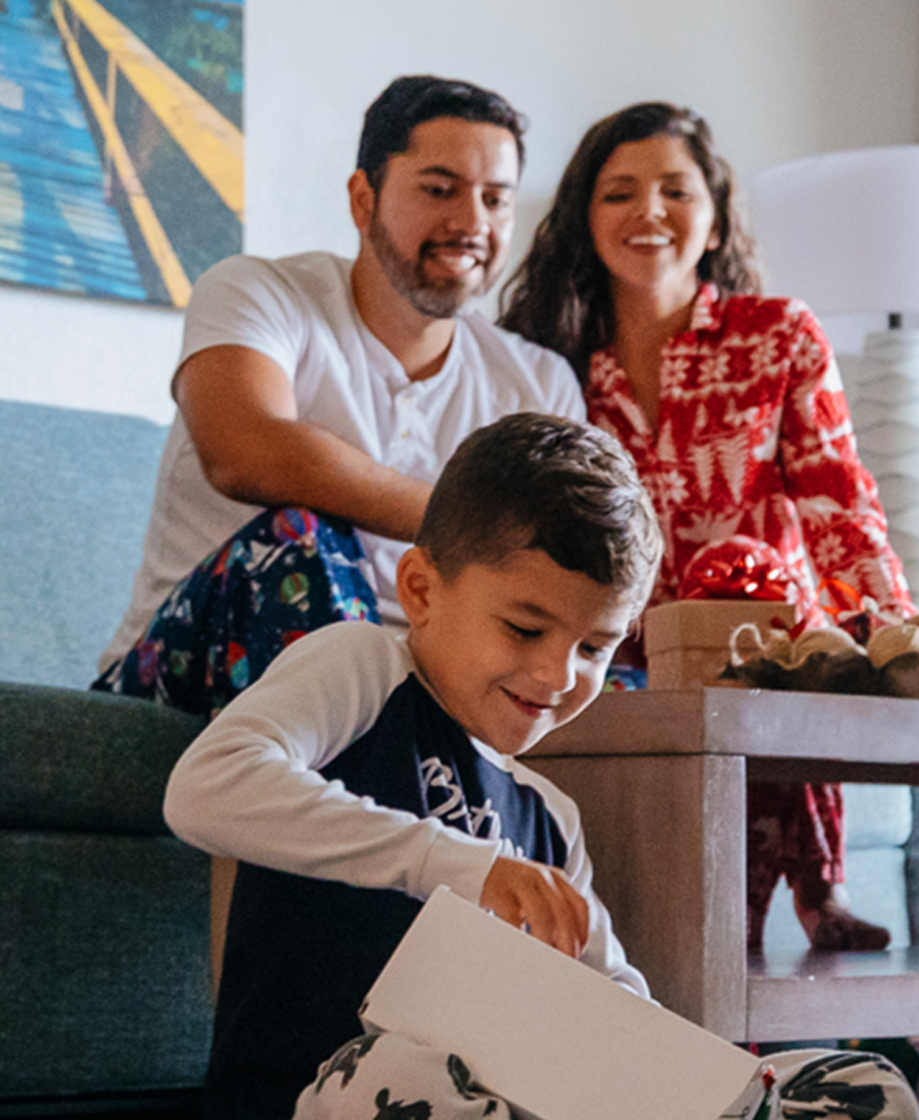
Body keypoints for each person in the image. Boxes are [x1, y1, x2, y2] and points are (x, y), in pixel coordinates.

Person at [162, 414, 919, 1120]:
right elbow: (203, 789)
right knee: (401, 1083)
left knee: (867, 1098)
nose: (559, 675)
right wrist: (455, 864)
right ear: (423, 589)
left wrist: (705, 1101)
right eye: (526, 626)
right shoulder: (362, 669)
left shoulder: (547, 816)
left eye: (597, 647)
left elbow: (615, 1017)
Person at [501, 101, 908, 951]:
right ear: (585, 217)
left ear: (715, 213)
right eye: (620, 193)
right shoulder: (549, 362)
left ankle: (810, 902)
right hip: (616, 660)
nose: (648, 212)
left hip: (762, 648)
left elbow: (840, 501)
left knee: (761, 659)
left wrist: (896, 642)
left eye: (675, 191)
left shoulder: (778, 337)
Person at [95, 76, 584, 715]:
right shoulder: (257, 293)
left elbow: (560, 560)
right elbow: (243, 450)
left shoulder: (539, 381)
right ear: (364, 198)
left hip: (416, 689)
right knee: (300, 539)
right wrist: (479, 522)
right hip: (189, 673)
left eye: (496, 199)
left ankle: (411, 776)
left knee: (611, 685)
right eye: (439, 190)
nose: (471, 222)